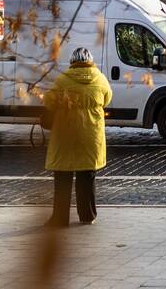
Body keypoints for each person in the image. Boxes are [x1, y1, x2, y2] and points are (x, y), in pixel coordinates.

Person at [44, 47, 112, 227]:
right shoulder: (100, 79)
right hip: (91, 136)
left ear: (72, 61)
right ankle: (87, 216)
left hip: (66, 136)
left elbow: (48, 101)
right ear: (90, 60)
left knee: (63, 178)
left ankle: (60, 218)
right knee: (87, 177)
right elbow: (107, 99)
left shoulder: (63, 80)